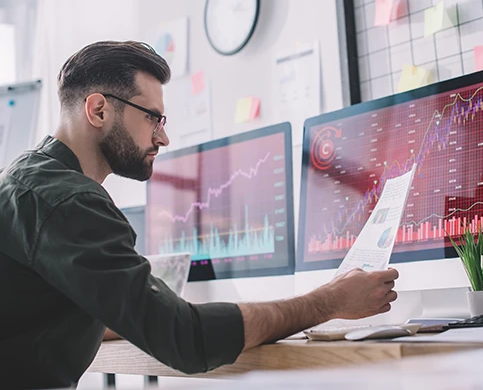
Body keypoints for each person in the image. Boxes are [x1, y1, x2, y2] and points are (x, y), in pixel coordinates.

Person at [0, 41, 399, 389]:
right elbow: (185, 341)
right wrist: (327, 302)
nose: (163, 136)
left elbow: (41, 315)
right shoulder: (69, 201)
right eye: (152, 117)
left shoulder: (25, 180)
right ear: (99, 109)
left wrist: (143, 315)